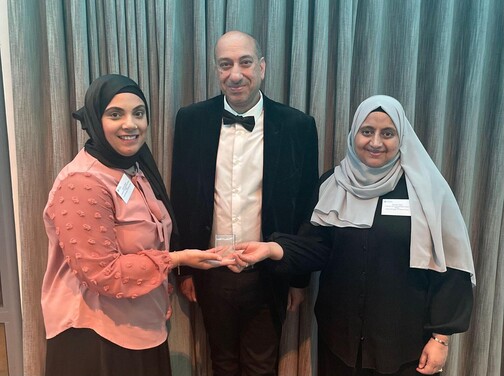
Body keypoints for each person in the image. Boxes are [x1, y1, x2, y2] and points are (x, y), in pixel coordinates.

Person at [233, 95, 475, 375]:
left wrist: (441, 338)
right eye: (367, 131)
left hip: (404, 345)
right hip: (340, 341)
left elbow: (451, 268)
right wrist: (272, 249)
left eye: (388, 133)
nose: (375, 142)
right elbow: (317, 247)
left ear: (402, 138)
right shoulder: (332, 184)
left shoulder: (426, 192)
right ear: (354, 133)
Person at [41, 74, 229, 376]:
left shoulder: (134, 169)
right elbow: (102, 274)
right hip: (98, 338)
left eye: (138, 113)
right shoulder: (83, 182)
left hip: (141, 328)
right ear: (95, 119)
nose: (131, 124)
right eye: (116, 114)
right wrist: (177, 260)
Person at [170, 31, 319, 376]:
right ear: (217, 70)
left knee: (262, 367)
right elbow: (182, 196)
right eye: (225, 64)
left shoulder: (298, 126)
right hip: (210, 271)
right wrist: (187, 270)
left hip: (268, 273)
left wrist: (297, 278)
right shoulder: (190, 120)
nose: (235, 74)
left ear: (262, 67)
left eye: (245, 62)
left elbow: (306, 207)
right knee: (220, 363)